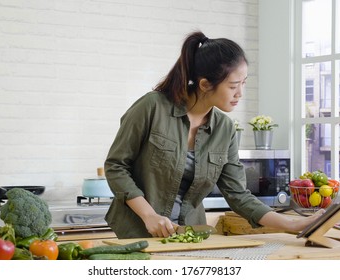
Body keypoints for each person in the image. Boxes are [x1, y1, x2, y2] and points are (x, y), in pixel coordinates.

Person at [104, 31, 323, 238]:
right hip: (136, 232)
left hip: (189, 235)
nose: (240, 94)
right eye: (233, 85)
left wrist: (293, 224)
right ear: (205, 84)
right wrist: (149, 215)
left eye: (243, 83)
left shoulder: (224, 129)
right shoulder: (152, 107)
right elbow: (116, 166)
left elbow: (238, 195)